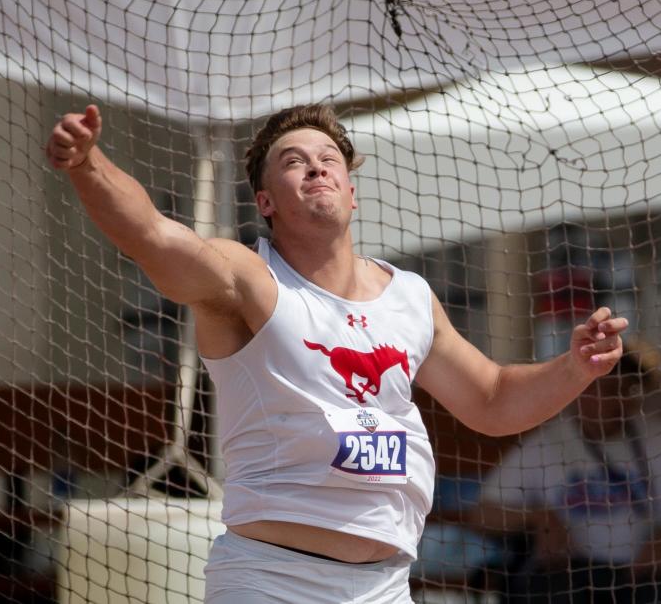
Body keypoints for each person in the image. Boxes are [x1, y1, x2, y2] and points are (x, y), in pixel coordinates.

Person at [45, 103, 628, 603]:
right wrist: (88, 163)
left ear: (352, 191)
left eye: (329, 158)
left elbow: (495, 400)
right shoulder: (250, 279)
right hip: (273, 579)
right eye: (293, 160)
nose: (316, 166)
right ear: (267, 201)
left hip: (385, 584)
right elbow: (151, 234)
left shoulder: (411, 297)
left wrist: (574, 366)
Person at [471, 338, 661, 603]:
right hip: (570, 575)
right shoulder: (547, 442)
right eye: (597, 389)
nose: (605, 400)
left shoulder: (653, 437)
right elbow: (482, 514)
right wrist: (537, 518)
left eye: (616, 389)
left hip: (643, 576)